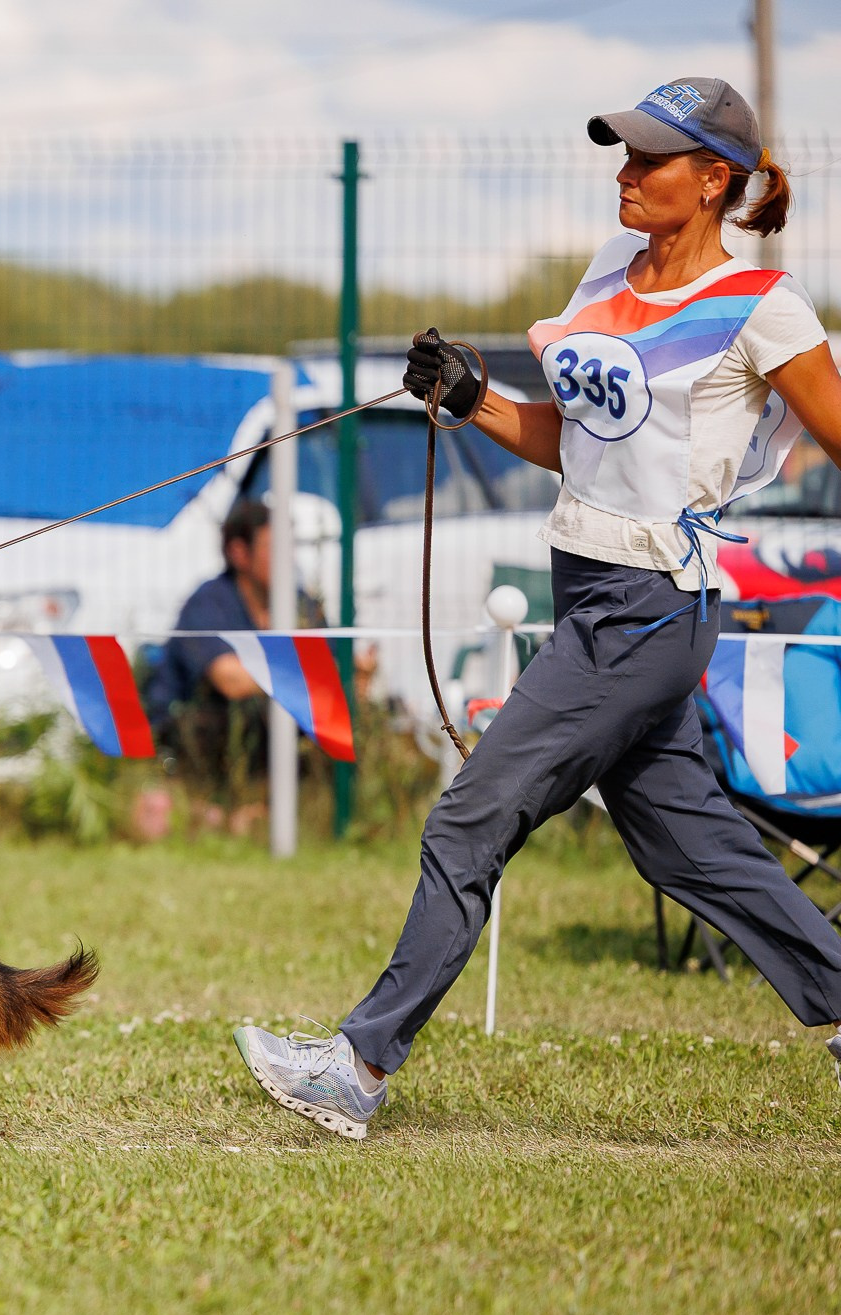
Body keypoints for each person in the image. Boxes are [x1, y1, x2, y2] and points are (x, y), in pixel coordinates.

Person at [233, 78, 841, 1138]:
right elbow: (573, 443)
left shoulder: (761, 306)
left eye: (649, 159)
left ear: (714, 180)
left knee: (470, 816)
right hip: (589, 591)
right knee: (690, 849)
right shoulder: (608, 268)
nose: (625, 174)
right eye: (622, 153)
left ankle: (357, 1067)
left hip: (647, 606)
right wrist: (471, 399)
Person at [147, 499, 323, 833]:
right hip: (192, 736)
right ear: (239, 552)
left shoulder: (302, 605)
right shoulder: (209, 603)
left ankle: (269, 813)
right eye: (275, 547)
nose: (288, 558)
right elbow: (230, 680)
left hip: (262, 740)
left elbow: (337, 671)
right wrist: (311, 670)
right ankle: (223, 812)